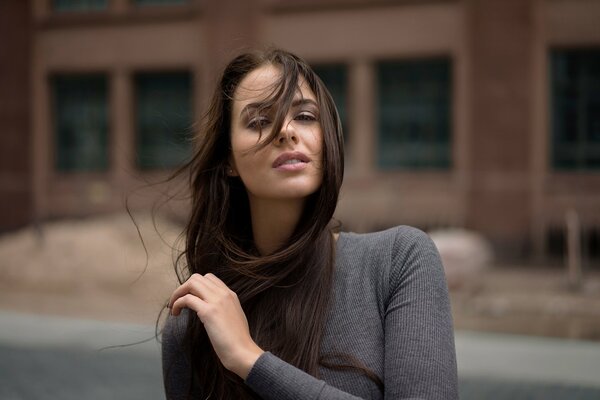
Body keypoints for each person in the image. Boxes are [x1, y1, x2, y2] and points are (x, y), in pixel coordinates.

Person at [161, 48, 458, 400]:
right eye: (258, 121)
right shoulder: (197, 323)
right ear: (229, 161)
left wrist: (250, 360)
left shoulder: (398, 260)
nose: (286, 131)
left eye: (304, 116)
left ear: (326, 137)